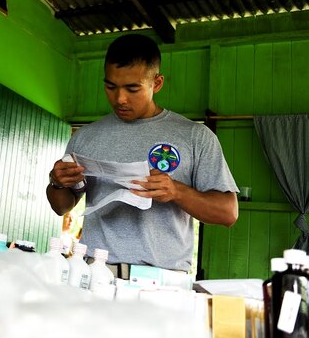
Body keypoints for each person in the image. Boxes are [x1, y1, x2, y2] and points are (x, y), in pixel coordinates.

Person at [46, 34, 238, 276]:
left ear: (156, 83)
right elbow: (61, 207)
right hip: (95, 273)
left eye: (132, 88)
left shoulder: (195, 136)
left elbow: (228, 213)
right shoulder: (86, 137)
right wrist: (57, 183)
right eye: (110, 86)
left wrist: (177, 191)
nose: (120, 99)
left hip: (161, 282)